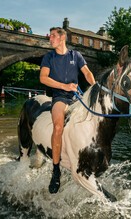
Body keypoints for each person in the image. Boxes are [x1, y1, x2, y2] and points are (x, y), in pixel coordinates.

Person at [40, 27, 95, 194]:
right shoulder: (48, 57)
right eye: (50, 36)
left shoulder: (75, 55)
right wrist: (64, 86)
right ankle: (56, 169)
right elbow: (43, 78)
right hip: (60, 97)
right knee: (58, 126)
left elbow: (86, 72)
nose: (50, 39)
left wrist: (95, 87)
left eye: (53, 36)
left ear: (62, 37)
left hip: (77, 97)